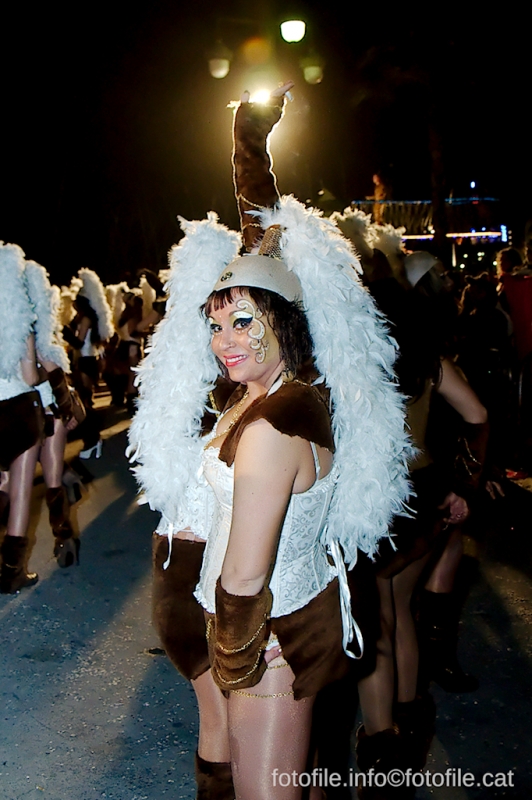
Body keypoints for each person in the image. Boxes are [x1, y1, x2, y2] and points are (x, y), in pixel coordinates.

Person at [129, 85, 412, 800]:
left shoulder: (273, 425)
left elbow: (246, 578)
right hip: (266, 638)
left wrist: (230, 662)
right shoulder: (268, 397)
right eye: (217, 323)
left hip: (266, 644)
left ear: (285, 326)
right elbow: (261, 240)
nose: (226, 342)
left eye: (245, 323)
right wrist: (249, 146)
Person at [24, 260, 81, 566]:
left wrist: (66, 407)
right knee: (52, 480)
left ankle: (65, 539)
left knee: (49, 482)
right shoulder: (29, 327)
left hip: (44, 411)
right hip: (37, 412)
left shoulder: (32, 328)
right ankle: (65, 539)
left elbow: (53, 370)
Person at [0, 243, 44, 593]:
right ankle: (12, 572)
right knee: (21, 491)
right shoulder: (20, 318)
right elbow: (30, 377)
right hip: (18, 409)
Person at [63, 268, 113, 458]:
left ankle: (92, 439)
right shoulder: (82, 317)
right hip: (84, 360)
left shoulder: (85, 318)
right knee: (84, 401)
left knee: (85, 402)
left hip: (87, 361)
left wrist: (64, 331)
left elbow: (78, 342)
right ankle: (92, 439)